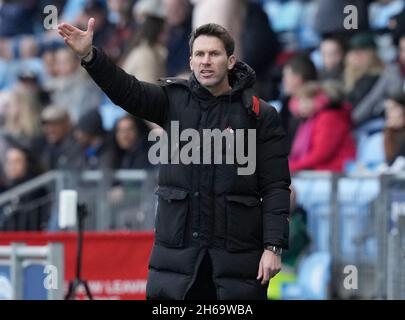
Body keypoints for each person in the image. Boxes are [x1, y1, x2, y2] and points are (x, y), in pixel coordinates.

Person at [58, 19, 291, 300]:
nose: (206, 61)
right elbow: (126, 90)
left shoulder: (259, 115)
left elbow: (276, 187)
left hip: (237, 263)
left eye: (214, 54)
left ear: (230, 61)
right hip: (177, 264)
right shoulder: (172, 100)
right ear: (190, 61)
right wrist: (90, 56)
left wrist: (273, 247)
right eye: (200, 55)